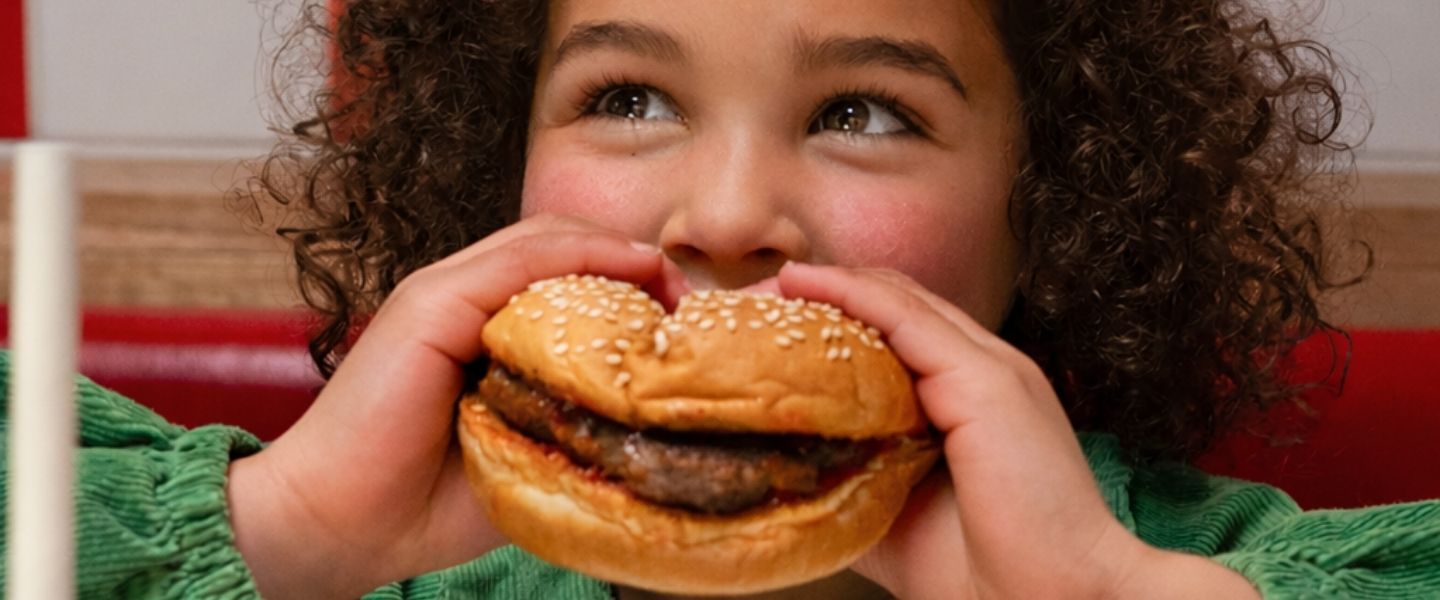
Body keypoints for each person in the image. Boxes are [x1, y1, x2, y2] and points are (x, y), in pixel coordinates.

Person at [5, 0, 1438, 598]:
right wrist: (288, 533)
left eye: (866, 111)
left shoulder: (1190, 567)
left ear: (1050, 204)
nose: (732, 214)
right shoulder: (375, 567)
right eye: (627, 96)